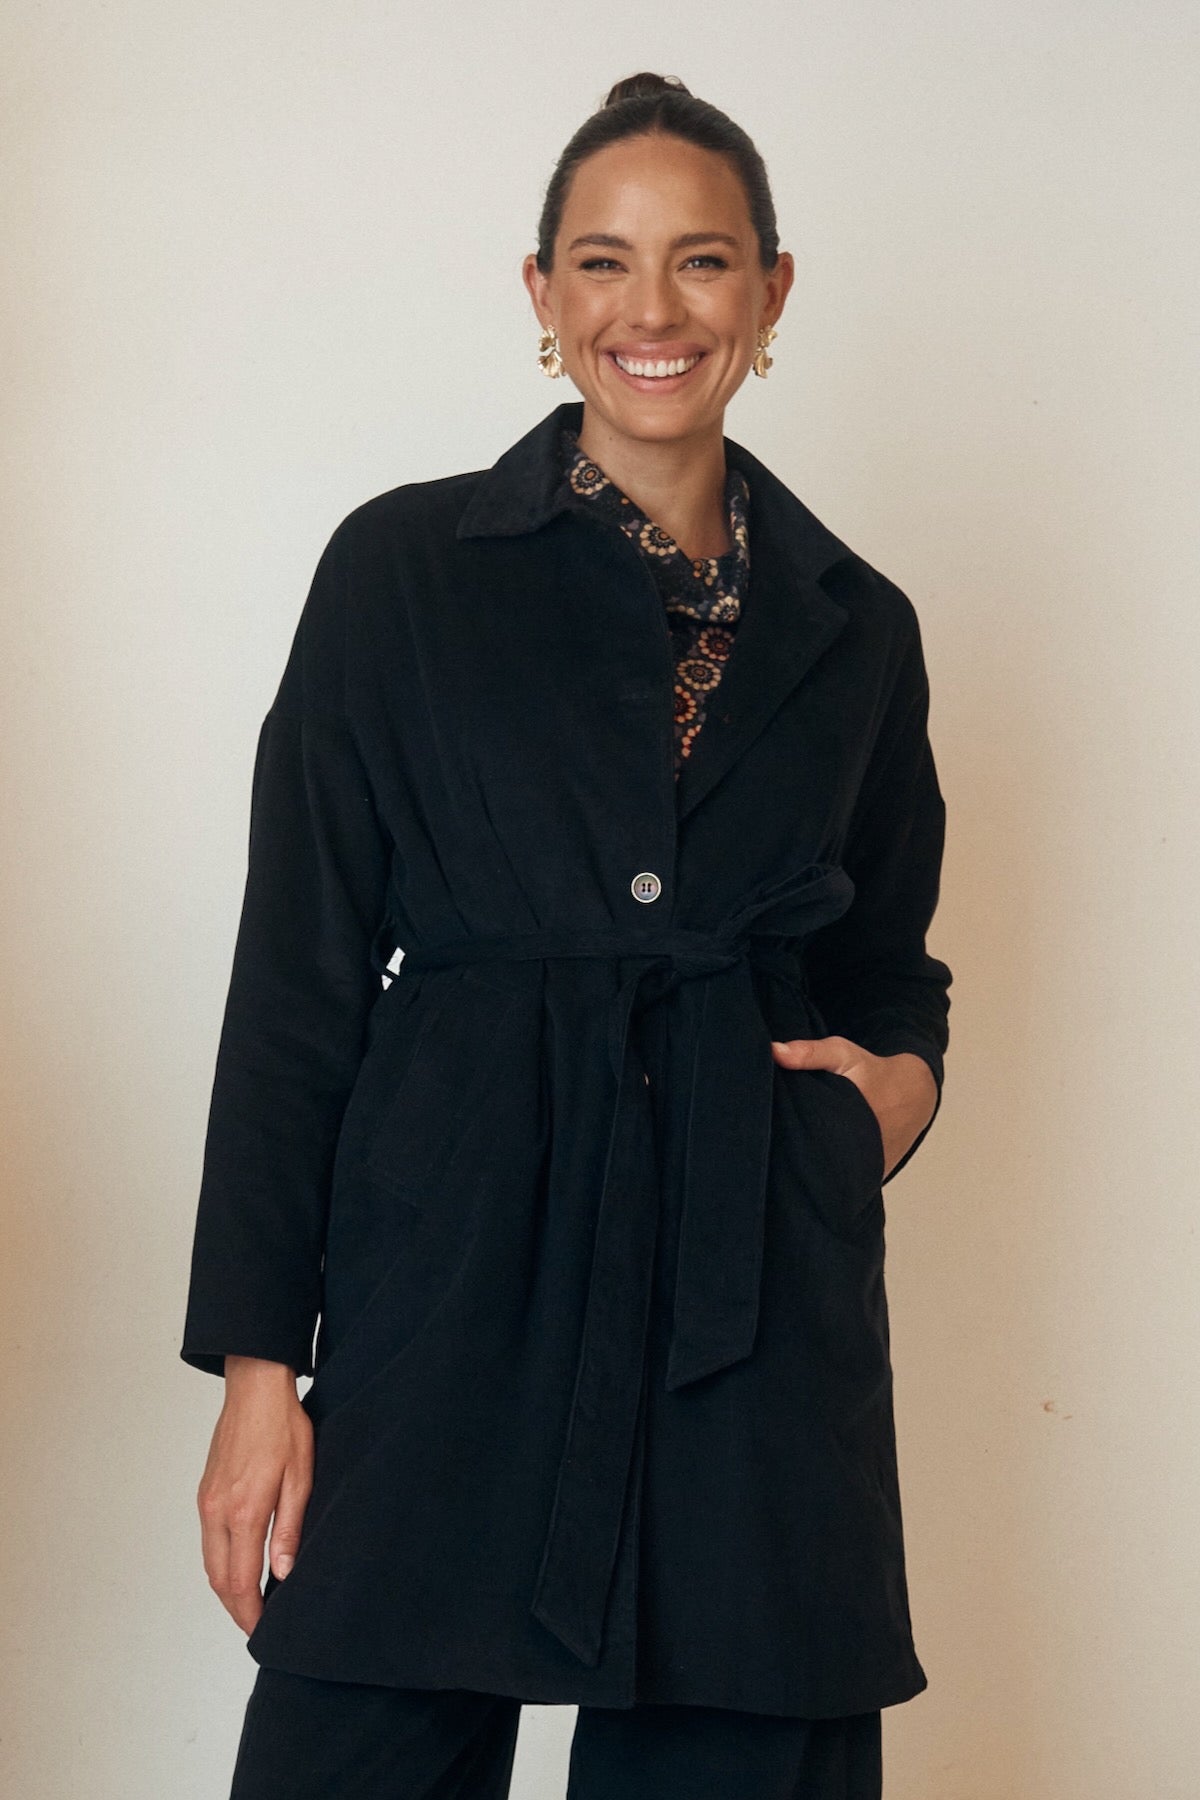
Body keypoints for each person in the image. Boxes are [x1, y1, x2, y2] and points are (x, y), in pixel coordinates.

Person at [181, 71, 952, 1800]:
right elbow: (295, 983)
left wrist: (884, 1103)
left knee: (744, 1745)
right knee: (350, 1744)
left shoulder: (856, 627)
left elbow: (891, 961)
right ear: (542, 297)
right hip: (446, 1271)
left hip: (753, 1293)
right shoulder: (403, 575)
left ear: (771, 289)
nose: (652, 311)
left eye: (701, 262)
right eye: (604, 264)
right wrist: (258, 1368)